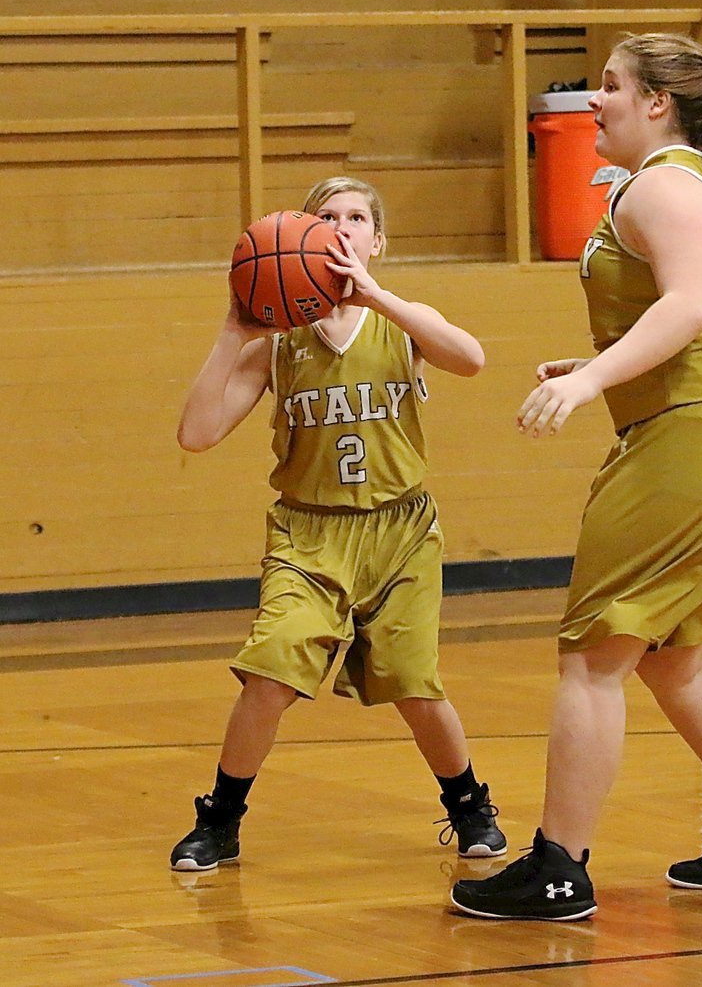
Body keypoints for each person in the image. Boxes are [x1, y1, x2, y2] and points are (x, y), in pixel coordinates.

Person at [449, 32, 702, 922]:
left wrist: (590, 380)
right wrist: (601, 360)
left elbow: (688, 305)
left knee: (593, 657)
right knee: (673, 654)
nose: (593, 103)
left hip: (696, 436)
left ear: (658, 103)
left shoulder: (662, 185)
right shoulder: (677, 185)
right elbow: (699, 313)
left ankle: (559, 868)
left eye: (608, 87)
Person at [168, 176, 506, 872]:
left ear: (376, 242)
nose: (344, 228)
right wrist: (233, 331)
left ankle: (469, 803)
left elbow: (471, 359)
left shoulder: (402, 320)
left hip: (401, 531)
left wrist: (380, 297)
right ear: (306, 235)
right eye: (328, 217)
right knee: (269, 672)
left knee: (414, 682)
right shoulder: (280, 341)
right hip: (309, 535)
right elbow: (196, 433)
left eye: (358, 218)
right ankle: (221, 819)